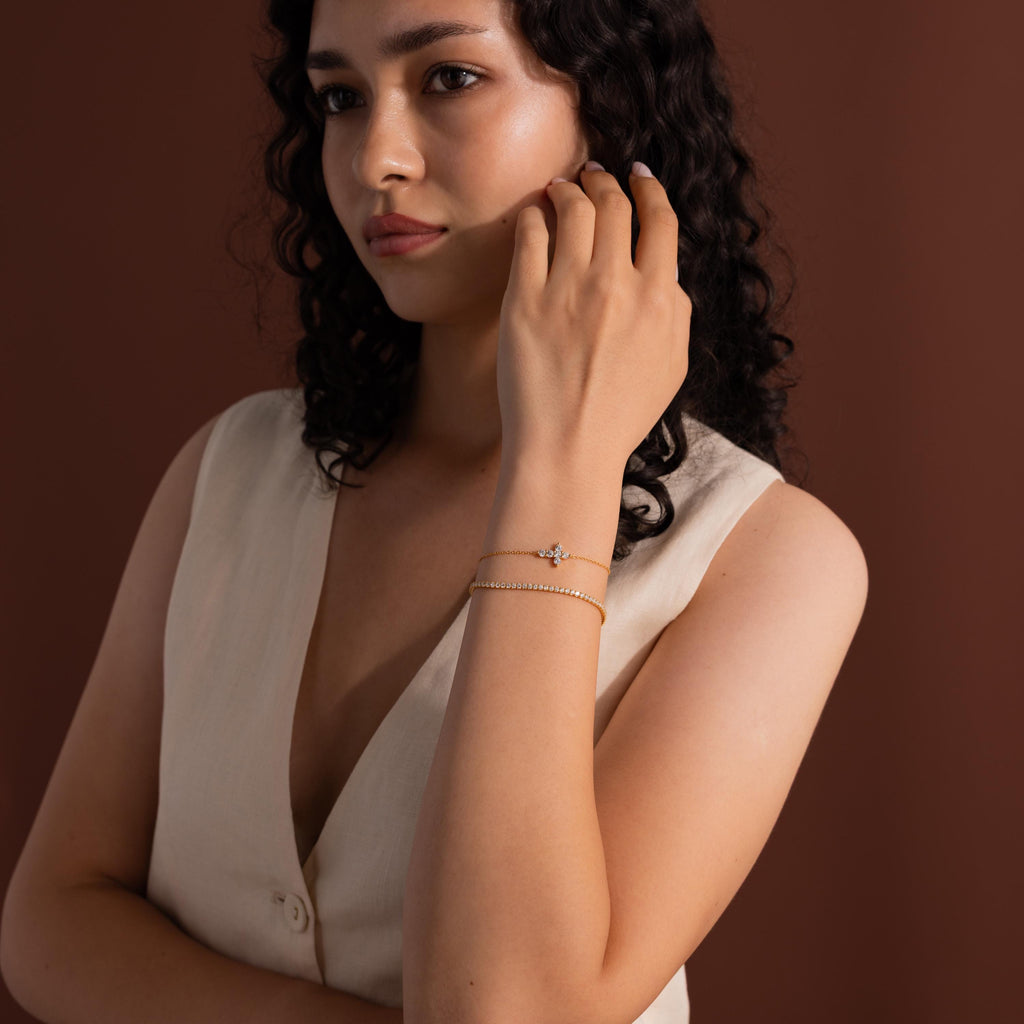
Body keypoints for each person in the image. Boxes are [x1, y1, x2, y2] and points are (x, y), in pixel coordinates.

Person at [0, 0, 869, 1021]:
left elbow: (508, 1007)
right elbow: (51, 920)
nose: (376, 157)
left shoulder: (765, 558)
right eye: (340, 96)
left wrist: (562, 461)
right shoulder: (230, 470)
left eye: (449, 78)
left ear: (613, 106)